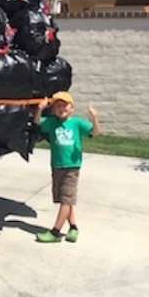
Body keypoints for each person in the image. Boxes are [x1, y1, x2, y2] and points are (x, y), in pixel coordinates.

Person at [33, 91, 100, 243]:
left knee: (66, 200)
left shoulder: (77, 123)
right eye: (57, 106)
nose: (61, 108)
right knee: (64, 198)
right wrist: (40, 109)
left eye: (64, 105)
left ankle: (55, 232)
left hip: (72, 168)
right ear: (53, 109)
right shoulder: (52, 122)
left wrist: (94, 117)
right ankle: (73, 227)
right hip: (57, 166)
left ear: (72, 108)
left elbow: (95, 132)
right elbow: (37, 122)